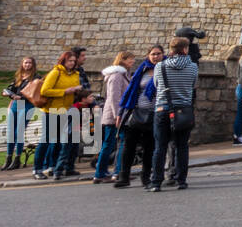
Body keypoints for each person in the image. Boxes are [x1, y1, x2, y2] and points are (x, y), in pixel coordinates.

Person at [148, 36, 199, 192]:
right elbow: (193, 85)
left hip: (163, 109)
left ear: (171, 50)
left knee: (160, 147)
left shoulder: (160, 66)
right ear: (185, 49)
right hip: (183, 110)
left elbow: (156, 85)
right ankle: (181, 180)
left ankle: (156, 182)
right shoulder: (193, 67)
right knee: (182, 147)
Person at [114, 46, 161, 188]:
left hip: (155, 114)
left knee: (149, 147)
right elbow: (129, 93)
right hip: (137, 113)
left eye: (158, 54)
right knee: (129, 146)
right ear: (148, 55)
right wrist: (120, 114)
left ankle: (145, 176)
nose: (155, 56)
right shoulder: (142, 70)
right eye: (153, 54)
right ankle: (124, 176)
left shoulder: (164, 69)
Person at [35, 51, 86, 180]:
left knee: (59, 140)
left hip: (66, 110)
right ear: (63, 60)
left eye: (74, 61)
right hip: (51, 110)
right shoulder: (55, 72)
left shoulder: (76, 74)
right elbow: (45, 91)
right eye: (70, 61)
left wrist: (78, 91)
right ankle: (37, 169)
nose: (72, 63)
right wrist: (65, 91)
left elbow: (73, 91)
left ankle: (54, 166)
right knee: (46, 140)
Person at [93, 50, 132, 183]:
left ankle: (106, 172)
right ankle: (109, 173)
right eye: (129, 60)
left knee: (113, 144)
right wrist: (117, 116)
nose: (132, 62)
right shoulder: (116, 76)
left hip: (119, 114)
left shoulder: (123, 75)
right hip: (115, 116)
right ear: (122, 60)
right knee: (116, 143)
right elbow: (114, 97)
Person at [2, 57, 37, 170]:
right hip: (15, 105)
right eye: (25, 62)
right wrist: (7, 92)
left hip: (27, 105)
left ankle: (17, 159)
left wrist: (19, 96)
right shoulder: (19, 77)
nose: (27, 65)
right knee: (11, 133)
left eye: (29, 63)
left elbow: (34, 93)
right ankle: (8, 159)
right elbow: (11, 89)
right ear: (22, 64)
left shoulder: (35, 78)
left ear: (33, 65)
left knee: (19, 132)